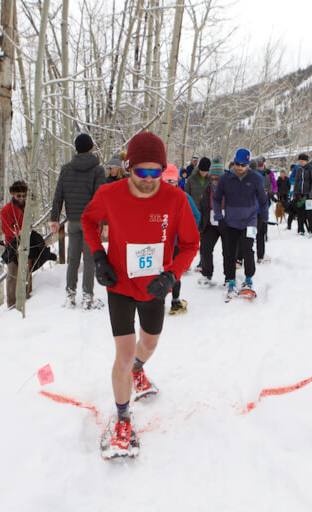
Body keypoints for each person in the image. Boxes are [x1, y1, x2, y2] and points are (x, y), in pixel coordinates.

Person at [81, 132, 199, 457]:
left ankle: (139, 370)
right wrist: (99, 256)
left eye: (156, 172)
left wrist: (171, 275)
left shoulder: (175, 200)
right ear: (128, 167)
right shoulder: (109, 193)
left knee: (148, 346)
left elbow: (191, 244)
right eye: (142, 172)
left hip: (154, 287)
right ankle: (122, 420)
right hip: (118, 283)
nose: (149, 180)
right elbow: (88, 221)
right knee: (123, 354)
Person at [49, 133, 106, 309]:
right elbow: (100, 199)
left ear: (76, 149)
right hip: (90, 222)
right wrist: (103, 222)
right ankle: (87, 297)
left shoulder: (66, 169)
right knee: (89, 259)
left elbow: (58, 196)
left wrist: (54, 219)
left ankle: (70, 294)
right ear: (91, 149)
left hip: (73, 220)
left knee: (73, 258)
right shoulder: (98, 170)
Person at [212, 148, 267, 300]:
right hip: (230, 221)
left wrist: (263, 219)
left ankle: (248, 279)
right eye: (237, 164)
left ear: (248, 165)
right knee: (230, 252)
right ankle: (230, 280)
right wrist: (219, 217)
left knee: (247, 249)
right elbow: (216, 199)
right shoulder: (225, 178)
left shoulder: (256, 179)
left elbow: (263, 201)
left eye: (243, 165)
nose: (239, 167)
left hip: (250, 220)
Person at [162, 164, 200, 314]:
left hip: (173, 242)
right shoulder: (156, 197)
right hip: (163, 243)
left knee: (173, 270)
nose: (169, 185)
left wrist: (186, 230)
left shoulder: (183, 197)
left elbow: (196, 216)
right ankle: (167, 301)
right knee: (165, 270)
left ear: (177, 180)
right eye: (166, 182)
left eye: (171, 181)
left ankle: (173, 301)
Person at [1, 180, 33, 309]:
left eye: (24, 195)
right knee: (13, 273)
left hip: (26, 241)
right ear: (13, 195)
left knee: (27, 269)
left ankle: (28, 297)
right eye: (18, 196)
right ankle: (11, 303)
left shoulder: (27, 207)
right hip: (12, 244)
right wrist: (17, 233)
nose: (21, 198)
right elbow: (5, 228)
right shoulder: (6, 209)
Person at [197, 160, 229, 286]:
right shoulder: (207, 190)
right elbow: (202, 208)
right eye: (213, 178)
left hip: (226, 223)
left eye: (218, 178)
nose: (215, 181)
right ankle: (207, 274)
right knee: (205, 249)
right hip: (210, 224)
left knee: (228, 251)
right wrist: (201, 225)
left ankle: (229, 277)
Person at [293, 153, 312, 237]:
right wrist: (295, 192)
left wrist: (311, 194)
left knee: (310, 213)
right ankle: (300, 229)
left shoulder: (311, 169)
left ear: (306, 161)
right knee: (300, 213)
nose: (301, 163)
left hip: (309, 195)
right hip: (300, 194)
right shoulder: (299, 169)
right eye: (299, 161)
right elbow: (297, 181)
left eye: (302, 161)